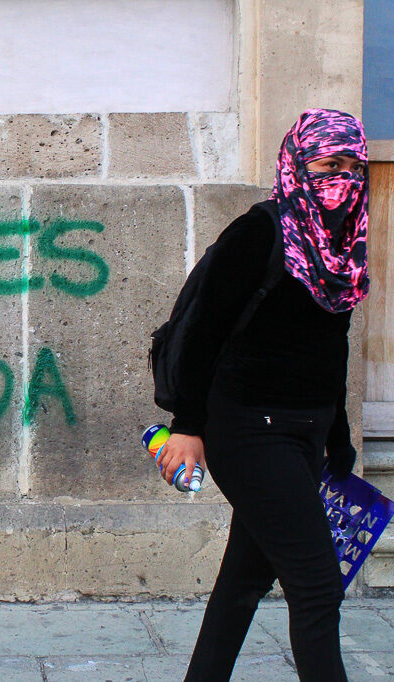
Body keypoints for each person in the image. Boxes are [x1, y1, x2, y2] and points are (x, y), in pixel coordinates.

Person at [156, 108, 370, 682]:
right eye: (329, 163)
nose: (342, 177)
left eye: (353, 165)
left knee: (245, 580)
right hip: (247, 427)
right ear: (298, 164)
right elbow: (202, 329)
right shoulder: (260, 231)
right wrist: (187, 425)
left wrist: (337, 435)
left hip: (302, 431)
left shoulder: (340, 246)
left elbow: (331, 347)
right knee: (317, 584)